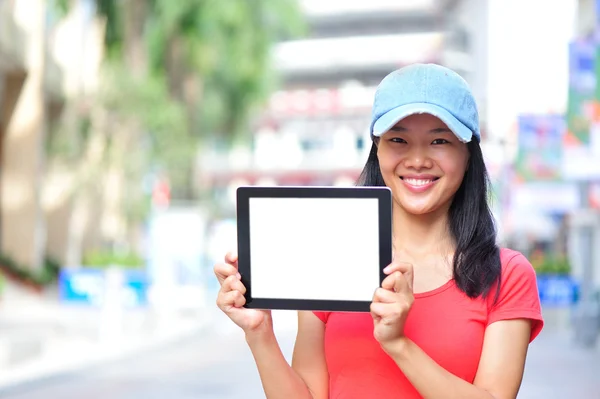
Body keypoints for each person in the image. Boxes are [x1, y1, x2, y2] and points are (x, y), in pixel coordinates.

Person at [214, 63, 544, 399]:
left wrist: (398, 344)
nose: (417, 160)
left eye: (439, 140)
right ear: (378, 150)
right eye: (398, 139)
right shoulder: (329, 263)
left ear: (469, 155)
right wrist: (259, 334)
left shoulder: (508, 275)